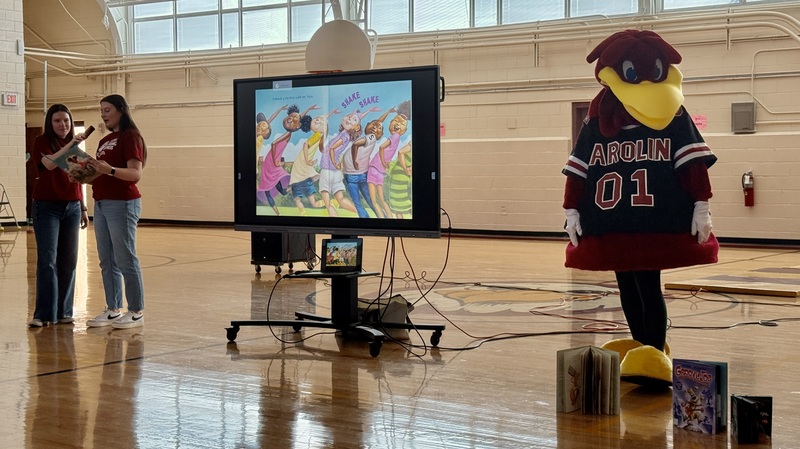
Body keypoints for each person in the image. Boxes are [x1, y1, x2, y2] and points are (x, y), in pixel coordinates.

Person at [562, 30, 718, 386]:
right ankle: (641, 345)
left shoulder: (673, 114)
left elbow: (693, 165)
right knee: (626, 287)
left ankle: (654, 351)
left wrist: (701, 205)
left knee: (648, 285)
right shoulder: (600, 116)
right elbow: (578, 169)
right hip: (613, 218)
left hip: (653, 219)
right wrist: (571, 209)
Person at [85, 94, 147, 329]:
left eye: (107, 109)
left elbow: (134, 174)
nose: (103, 114)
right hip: (101, 203)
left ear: (121, 110)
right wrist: (84, 174)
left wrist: (108, 169)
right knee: (107, 259)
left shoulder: (130, 136)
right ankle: (113, 308)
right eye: (101, 110)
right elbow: (102, 174)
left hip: (122, 203)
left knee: (125, 258)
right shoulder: (104, 141)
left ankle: (136, 309)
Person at [28, 104, 90, 327]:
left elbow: (79, 178)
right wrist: (72, 145)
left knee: (68, 262)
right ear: (50, 123)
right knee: (48, 261)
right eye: (57, 121)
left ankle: (64, 311)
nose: (63, 125)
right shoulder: (42, 142)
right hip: (47, 208)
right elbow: (48, 164)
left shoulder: (73, 145)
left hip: (72, 207)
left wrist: (83, 208)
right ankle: (43, 314)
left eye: (66, 120)